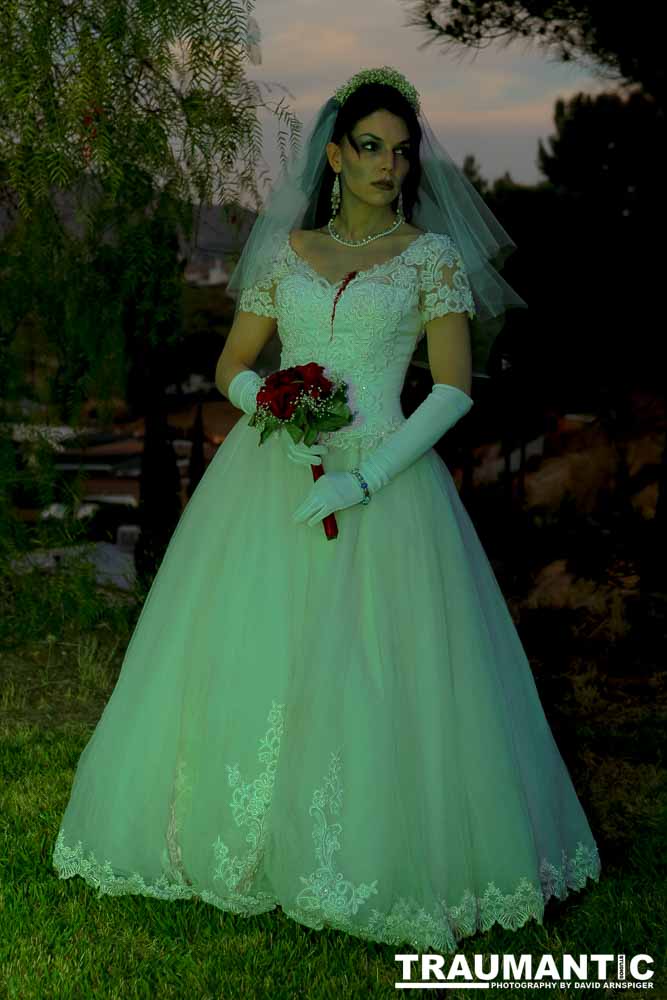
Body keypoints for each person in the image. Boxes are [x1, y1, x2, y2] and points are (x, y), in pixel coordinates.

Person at [52, 66, 601, 954]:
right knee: (255, 648)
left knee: (387, 661)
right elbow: (235, 362)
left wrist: (364, 477)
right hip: (275, 475)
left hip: (386, 482)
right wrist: (276, 407)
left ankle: (378, 848)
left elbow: (454, 391)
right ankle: (242, 837)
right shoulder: (284, 252)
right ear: (336, 156)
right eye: (372, 147)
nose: (390, 163)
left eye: (402, 149)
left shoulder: (431, 257)